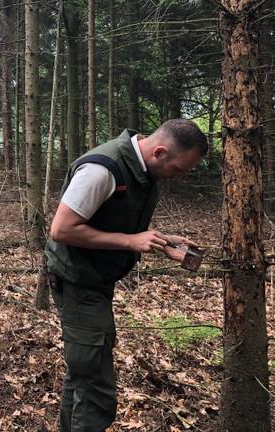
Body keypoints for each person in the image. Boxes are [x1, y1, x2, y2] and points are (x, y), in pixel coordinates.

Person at [45, 119, 208, 432]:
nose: (178, 176)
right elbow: (61, 229)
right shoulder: (102, 170)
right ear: (159, 152)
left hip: (96, 280)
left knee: (83, 372)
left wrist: (161, 241)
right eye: (177, 169)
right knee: (96, 390)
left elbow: (113, 221)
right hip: (77, 281)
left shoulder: (141, 169)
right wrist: (130, 241)